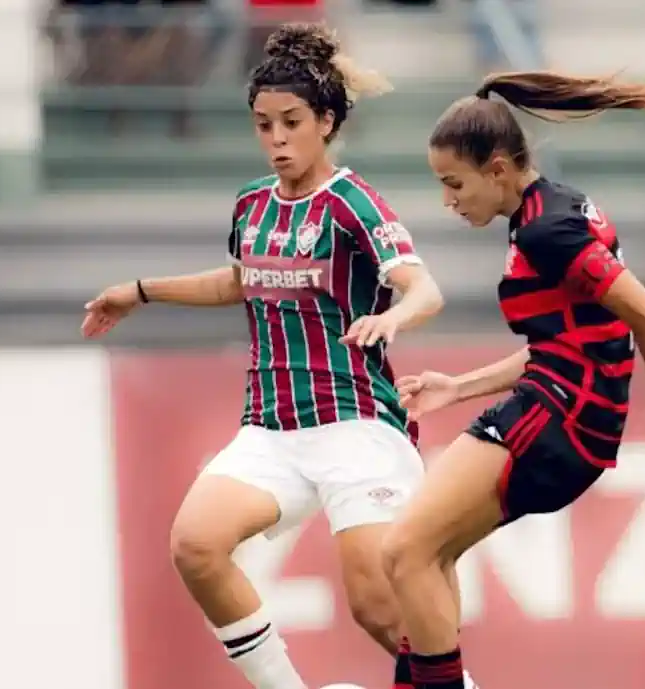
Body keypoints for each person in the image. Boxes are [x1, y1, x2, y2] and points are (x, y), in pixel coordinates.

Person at [81, 23, 462, 689]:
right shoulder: (252, 204)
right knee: (196, 544)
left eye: (291, 122)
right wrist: (141, 291)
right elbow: (240, 280)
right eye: (264, 125)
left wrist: (394, 314)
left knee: (378, 608)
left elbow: (423, 286)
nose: (277, 139)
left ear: (326, 121)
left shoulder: (353, 204)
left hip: (355, 423)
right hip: (272, 429)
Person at [380, 71, 645, 689]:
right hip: (559, 415)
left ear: (497, 169)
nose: (448, 201)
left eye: (454, 184)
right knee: (428, 555)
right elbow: (565, 344)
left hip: (559, 425)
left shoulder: (546, 231)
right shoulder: (551, 207)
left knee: (404, 553)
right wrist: (459, 387)